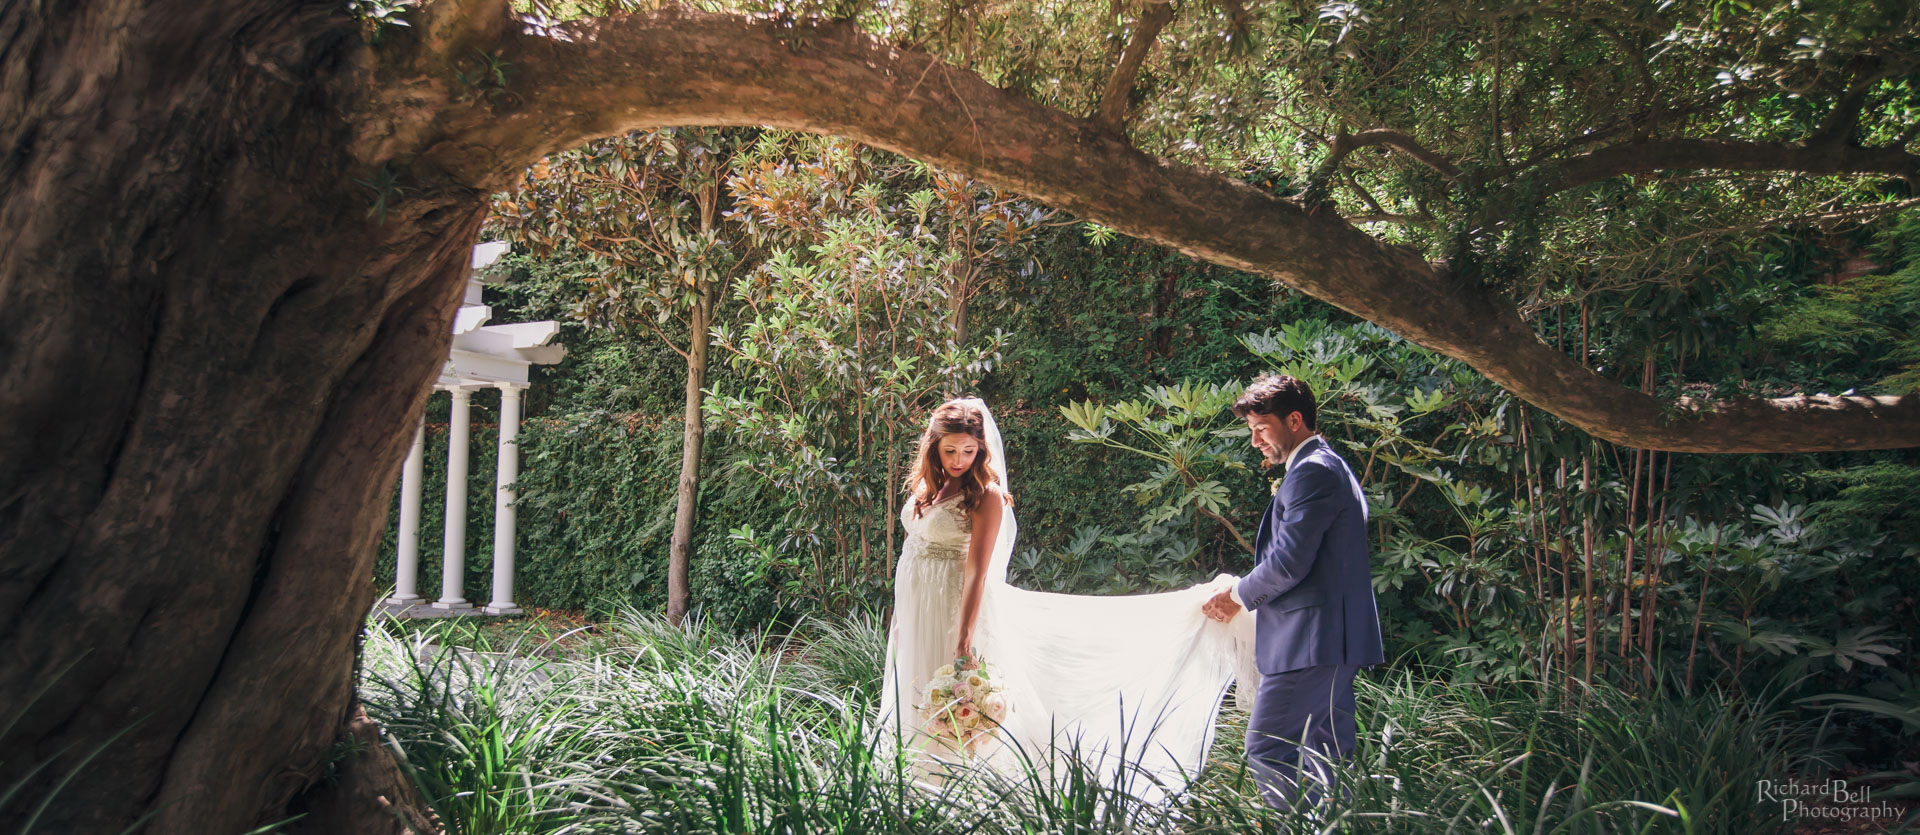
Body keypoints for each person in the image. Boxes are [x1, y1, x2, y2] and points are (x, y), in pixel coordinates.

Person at [878, 397, 1252, 795]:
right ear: (933, 446)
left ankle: (962, 791)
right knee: (916, 690)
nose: (959, 459)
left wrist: (964, 637)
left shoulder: (986, 495)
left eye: (969, 451)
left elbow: (976, 572)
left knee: (957, 702)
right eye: (950, 450)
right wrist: (905, 615)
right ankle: (916, 788)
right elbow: (913, 553)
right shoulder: (927, 488)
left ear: (981, 450)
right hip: (921, 607)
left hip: (956, 608)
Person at [1202, 374, 1385, 811]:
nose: (1255, 441)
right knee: (1327, 759)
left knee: (1268, 750)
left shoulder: (1313, 472)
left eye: (1261, 428)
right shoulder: (1327, 465)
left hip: (1311, 642)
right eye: (1251, 430)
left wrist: (1236, 596)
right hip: (1329, 643)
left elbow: (1289, 562)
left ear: (1295, 420)